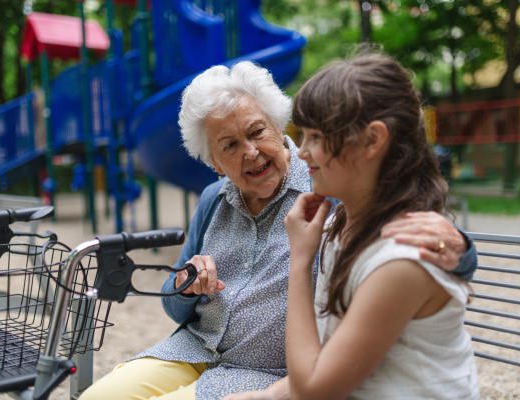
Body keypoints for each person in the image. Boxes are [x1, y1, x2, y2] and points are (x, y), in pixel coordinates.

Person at [80, 60, 476, 400]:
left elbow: (412, 239)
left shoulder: (327, 186)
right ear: (214, 161)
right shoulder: (213, 199)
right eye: (230, 146)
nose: (250, 152)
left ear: (276, 123)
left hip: (270, 369)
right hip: (196, 348)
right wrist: (187, 282)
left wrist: (460, 247)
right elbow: (173, 303)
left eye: (256, 133)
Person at [225, 53, 479, 400]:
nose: (302, 152)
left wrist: (299, 261)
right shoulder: (338, 227)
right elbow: (330, 361)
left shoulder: (403, 255)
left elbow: (315, 389)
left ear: (373, 140)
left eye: (316, 137)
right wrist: (261, 397)